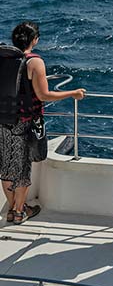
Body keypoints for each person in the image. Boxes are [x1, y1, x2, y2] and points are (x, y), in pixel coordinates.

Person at [0, 21, 86, 224]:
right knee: (22, 167)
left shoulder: (2, 58)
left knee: (5, 166)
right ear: (34, 40)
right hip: (24, 121)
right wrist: (72, 93)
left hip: (3, 119)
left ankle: (12, 208)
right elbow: (44, 95)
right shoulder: (34, 62)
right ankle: (20, 212)